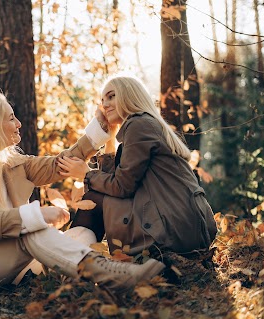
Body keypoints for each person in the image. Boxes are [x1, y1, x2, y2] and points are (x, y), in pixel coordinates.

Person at [0, 92, 165, 319]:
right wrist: (35, 215)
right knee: (33, 231)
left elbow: (59, 164)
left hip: (19, 266)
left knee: (74, 234)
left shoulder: (14, 163)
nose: (18, 124)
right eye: (11, 118)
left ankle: (85, 276)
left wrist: (98, 130)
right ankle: (114, 275)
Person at [57, 76, 217, 257]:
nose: (105, 105)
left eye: (111, 96)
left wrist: (86, 174)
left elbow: (121, 186)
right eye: (102, 101)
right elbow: (114, 183)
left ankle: (67, 260)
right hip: (185, 228)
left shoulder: (138, 124)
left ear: (129, 95)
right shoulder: (145, 124)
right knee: (97, 195)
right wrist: (110, 136)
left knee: (93, 198)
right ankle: (70, 258)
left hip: (171, 228)